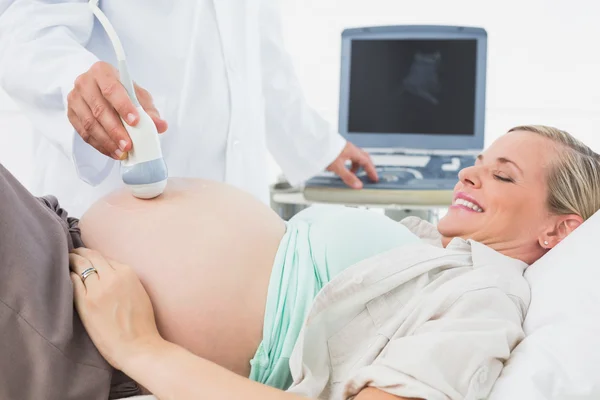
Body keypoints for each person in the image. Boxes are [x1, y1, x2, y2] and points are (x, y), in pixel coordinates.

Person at [66, 125, 600, 400]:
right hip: (74, 261)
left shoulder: (486, 303)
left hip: (79, 332)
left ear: (561, 229)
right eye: (477, 162)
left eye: (502, 176)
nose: (466, 174)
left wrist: (140, 348)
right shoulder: (433, 252)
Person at [0, 1, 378, 217]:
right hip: (120, 200)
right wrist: (73, 77)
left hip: (239, 208)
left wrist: (318, 145)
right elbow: (26, 32)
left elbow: (259, 56)